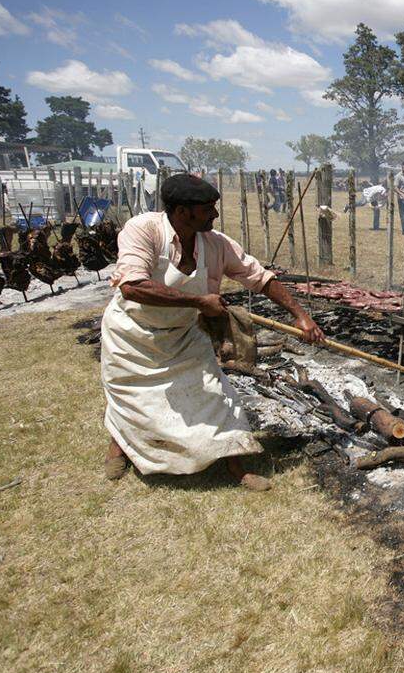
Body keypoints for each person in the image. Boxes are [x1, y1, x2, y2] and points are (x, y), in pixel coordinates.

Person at [100, 173, 325, 492]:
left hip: (182, 334)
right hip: (132, 335)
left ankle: (236, 467)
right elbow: (133, 287)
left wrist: (301, 315)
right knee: (130, 399)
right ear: (181, 211)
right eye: (208, 209)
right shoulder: (144, 230)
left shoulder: (215, 243)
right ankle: (118, 446)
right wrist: (199, 301)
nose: (215, 215)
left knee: (218, 395)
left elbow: (259, 277)